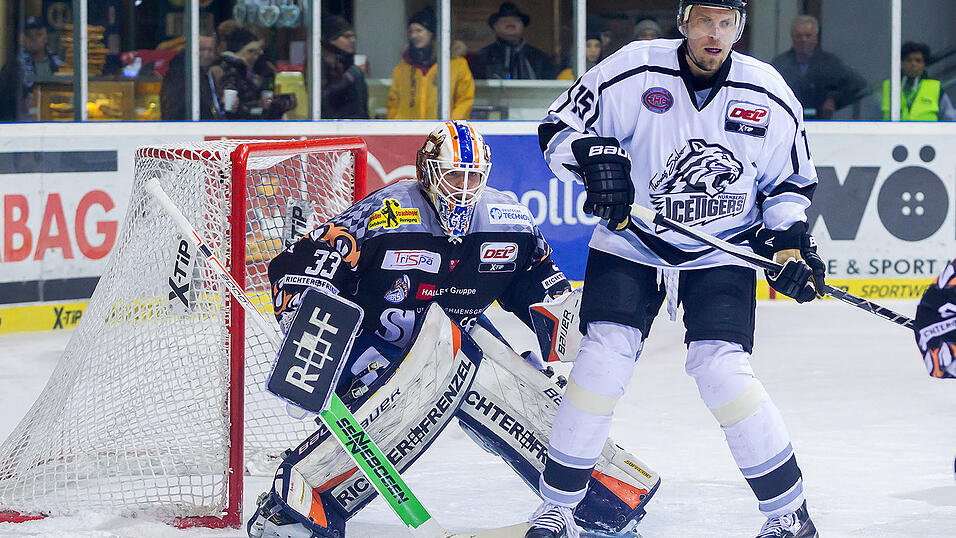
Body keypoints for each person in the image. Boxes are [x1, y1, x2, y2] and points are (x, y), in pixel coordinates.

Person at [244, 121, 660, 538]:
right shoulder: (387, 214)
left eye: (473, 177)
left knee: (510, 375)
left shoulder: (508, 223)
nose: (463, 188)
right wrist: (313, 349)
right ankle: (293, 505)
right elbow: (300, 270)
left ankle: (598, 497)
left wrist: (580, 323)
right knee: (452, 349)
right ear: (427, 173)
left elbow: (541, 288)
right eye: (454, 175)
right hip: (368, 363)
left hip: (455, 352)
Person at [533, 1, 823, 537]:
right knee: (601, 360)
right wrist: (594, 160)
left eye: (726, 23)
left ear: (740, 26)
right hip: (631, 241)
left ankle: (789, 513)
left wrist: (788, 244)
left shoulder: (768, 91)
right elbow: (556, 129)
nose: (715, 35)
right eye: (704, 21)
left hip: (722, 248)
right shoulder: (633, 69)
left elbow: (789, 182)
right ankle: (557, 508)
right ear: (684, 21)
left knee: (722, 369)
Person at [386, 6, 474, 119]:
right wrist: (397, 128)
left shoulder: (455, 64)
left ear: (432, 33)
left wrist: (451, 126)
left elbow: (465, 99)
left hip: (443, 133)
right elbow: (393, 102)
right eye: (411, 31)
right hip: (409, 132)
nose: (414, 35)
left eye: (419, 30)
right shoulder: (403, 67)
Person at [771, 15, 865, 120]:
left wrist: (834, 100)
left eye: (808, 36)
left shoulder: (831, 63)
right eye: (798, 36)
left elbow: (857, 86)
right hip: (788, 122)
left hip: (822, 124)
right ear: (792, 38)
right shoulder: (779, 64)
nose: (803, 40)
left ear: (816, 38)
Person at [210, 28, 295, 120]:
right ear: (237, 53)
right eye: (251, 51)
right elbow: (230, 106)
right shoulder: (226, 70)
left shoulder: (262, 68)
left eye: (259, 50)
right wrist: (257, 104)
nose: (256, 55)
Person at [470, 2, 555, 80]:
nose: (510, 23)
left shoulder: (540, 58)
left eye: (516, 20)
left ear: (522, 26)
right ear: (495, 27)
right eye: (504, 20)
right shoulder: (482, 57)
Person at [0, 17, 62, 121]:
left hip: (56, 121)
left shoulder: (58, 65)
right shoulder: (12, 68)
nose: (34, 38)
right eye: (28, 35)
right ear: (21, 39)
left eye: (38, 34)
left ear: (45, 37)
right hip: (24, 126)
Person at [882, 42, 956, 122]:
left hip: (926, 134)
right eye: (909, 60)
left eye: (918, 61)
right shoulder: (887, 87)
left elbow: (951, 119)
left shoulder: (935, 88)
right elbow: (871, 118)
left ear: (924, 65)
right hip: (893, 134)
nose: (913, 64)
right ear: (902, 63)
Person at [160, 31, 222, 120]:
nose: (207, 54)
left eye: (210, 50)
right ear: (190, 49)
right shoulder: (180, 74)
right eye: (202, 49)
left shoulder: (208, 71)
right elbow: (177, 110)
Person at [320, 14, 368, 119]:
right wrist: (350, 76)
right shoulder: (321, 62)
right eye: (347, 36)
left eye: (353, 36)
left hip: (357, 124)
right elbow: (322, 96)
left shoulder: (350, 60)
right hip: (334, 126)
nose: (352, 40)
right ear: (332, 39)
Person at [557, 15, 608, 80]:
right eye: (588, 46)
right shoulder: (568, 74)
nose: (593, 50)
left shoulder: (603, 73)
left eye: (597, 46)